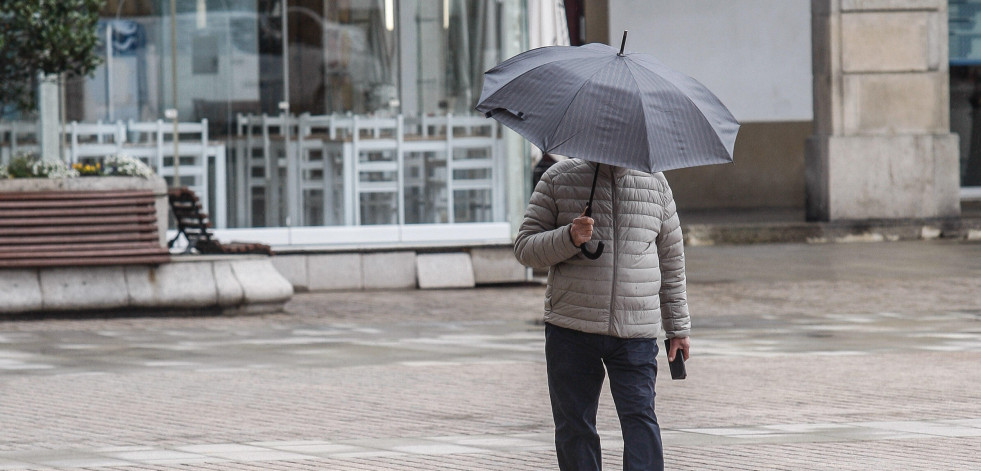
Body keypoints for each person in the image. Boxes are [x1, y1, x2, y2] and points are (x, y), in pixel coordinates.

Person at [513, 158, 691, 471]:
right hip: (572, 328)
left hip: (636, 330)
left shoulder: (656, 184)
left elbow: (671, 260)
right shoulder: (558, 179)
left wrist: (677, 327)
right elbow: (525, 248)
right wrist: (568, 237)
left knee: (640, 420)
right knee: (574, 426)